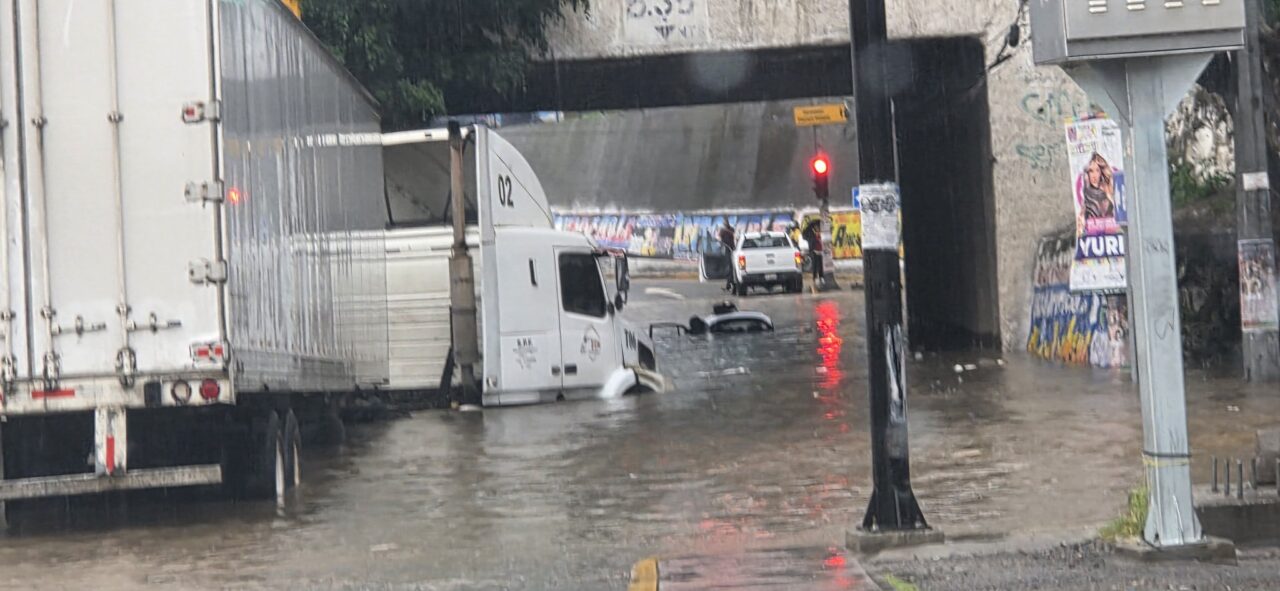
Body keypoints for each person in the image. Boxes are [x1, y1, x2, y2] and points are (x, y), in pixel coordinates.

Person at [1077, 153, 1116, 233]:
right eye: (1091, 171)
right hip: (1093, 235)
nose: (1094, 175)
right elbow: (1080, 229)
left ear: (1101, 172)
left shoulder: (1108, 193)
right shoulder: (1087, 196)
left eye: (1097, 170)